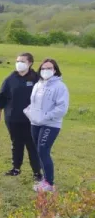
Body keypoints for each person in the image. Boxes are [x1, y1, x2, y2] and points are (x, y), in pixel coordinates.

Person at [0, 53, 42, 180]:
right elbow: (1, 97)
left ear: (30, 63)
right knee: (16, 143)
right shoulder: (10, 79)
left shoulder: (36, 78)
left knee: (32, 145)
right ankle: (16, 168)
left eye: (22, 61)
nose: (19, 63)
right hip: (13, 117)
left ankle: (37, 172)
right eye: (17, 61)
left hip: (32, 119)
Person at [25, 58, 69, 192]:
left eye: (49, 68)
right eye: (43, 68)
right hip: (35, 122)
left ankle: (49, 183)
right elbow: (33, 102)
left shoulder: (60, 87)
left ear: (55, 70)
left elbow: (62, 108)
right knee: (39, 150)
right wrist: (29, 111)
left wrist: (45, 117)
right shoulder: (38, 84)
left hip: (51, 124)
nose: (46, 71)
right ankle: (44, 179)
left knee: (44, 150)